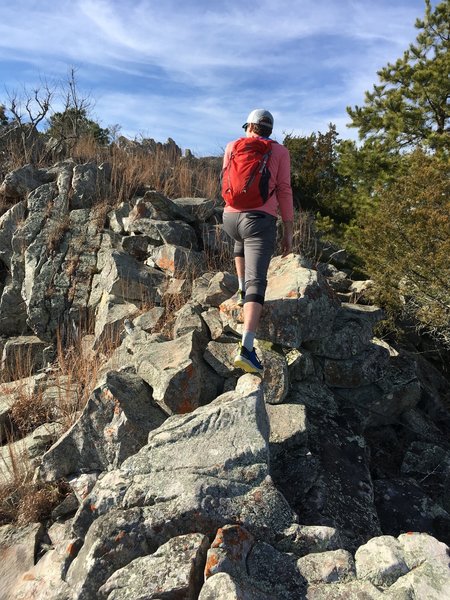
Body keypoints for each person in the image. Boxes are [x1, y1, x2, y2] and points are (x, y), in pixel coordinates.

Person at [222, 108, 294, 374]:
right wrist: (288, 228)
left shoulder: (232, 146)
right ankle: (247, 348)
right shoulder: (279, 152)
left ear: (249, 127)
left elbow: (228, 181)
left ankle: (241, 290)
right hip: (260, 220)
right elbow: (284, 190)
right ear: (269, 131)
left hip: (229, 218)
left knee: (240, 241)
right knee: (258, 281)